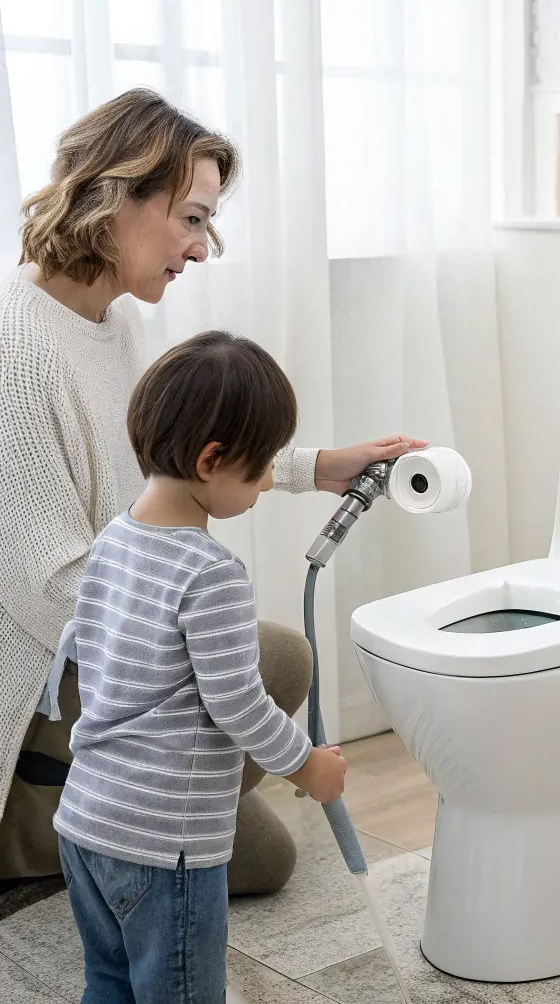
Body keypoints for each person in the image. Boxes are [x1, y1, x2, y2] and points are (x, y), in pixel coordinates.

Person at [0, 87, 426, 894]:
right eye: (192, 218)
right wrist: (197, 621)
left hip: (110, 659)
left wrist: (313, 465)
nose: (202, 250)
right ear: (117, 193)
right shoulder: (16, 352)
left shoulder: (111, 320)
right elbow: (53, 598)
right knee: (275, 660)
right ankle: (36, 826)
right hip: (47, 682)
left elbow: (176, 455)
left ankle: (108, 821)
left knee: (265, 860)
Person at [56, 329, 350, 1003]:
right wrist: (308, 764)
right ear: (213, 458)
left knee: (109, 983)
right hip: (165, 846)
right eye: (265, 464)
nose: (272, 478)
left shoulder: (113, 537)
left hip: (87, 822)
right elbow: (239, 704)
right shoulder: (209, 572)